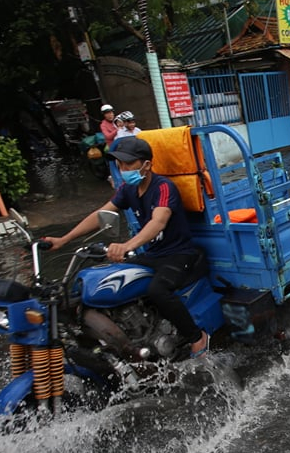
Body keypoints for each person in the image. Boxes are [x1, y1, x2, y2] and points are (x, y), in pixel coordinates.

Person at [41, 137, 211, 359]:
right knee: (113, 278)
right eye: (120, 165)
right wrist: (64, 239)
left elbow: (158, 221)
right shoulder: (128, 189)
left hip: (178, 254)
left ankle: (197, 337)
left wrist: (127, 245)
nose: (123, 170)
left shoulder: (163, 187)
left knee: (157, 290)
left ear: (146, 165)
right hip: (152, 254)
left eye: (128, 164)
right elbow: (101, 216)